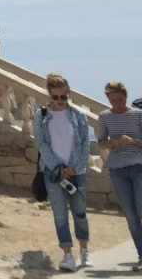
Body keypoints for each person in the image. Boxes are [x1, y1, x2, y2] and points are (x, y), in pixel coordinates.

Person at [33, 74, 92, 271]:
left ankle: (84, 251)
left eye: (63, 97)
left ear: (68, 94)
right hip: (52, 172)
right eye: (56, 97)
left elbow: (84, 143)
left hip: (77, 170)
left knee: (80, 212)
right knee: (60, 214)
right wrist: (58, 168)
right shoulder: (40, 115)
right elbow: (40, 142)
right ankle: (67, 254)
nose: (59, 101)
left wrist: (74, 167)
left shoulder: (78, 114)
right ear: (49, 94)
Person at [98, 81, 142, 271]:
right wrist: (113, 143)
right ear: (108, 99)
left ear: (125, 97)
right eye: (113, 100)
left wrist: (132, 141)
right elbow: (101, 143)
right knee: (131, 216)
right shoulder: (104, 116)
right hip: (117, 169)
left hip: (138, 165)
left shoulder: (138, 114)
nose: (117, 103)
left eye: (121, 100)